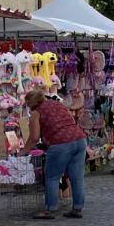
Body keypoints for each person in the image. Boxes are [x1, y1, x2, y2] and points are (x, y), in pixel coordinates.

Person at [26, 87, 88, 219]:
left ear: (31, 103)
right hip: (79, 139)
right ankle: (77, 208)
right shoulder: (57, 104)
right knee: (77, 178)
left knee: (52, 177)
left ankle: (50, 209)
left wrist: (23, 151)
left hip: (60, 143)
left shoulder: (36, 113)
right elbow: (71, 121)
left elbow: (34, 137)